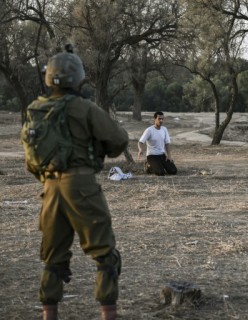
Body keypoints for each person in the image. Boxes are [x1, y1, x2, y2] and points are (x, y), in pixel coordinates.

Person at [28, 50, 128, 320]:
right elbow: (118, 140)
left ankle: (49, 314)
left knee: (52, 258)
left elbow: (31, 156)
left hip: (49, 188)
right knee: (105, 254)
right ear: (78, 78)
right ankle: (108, 313)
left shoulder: (36, 109)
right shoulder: (84, 108)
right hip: (81, 185)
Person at [137, 111, 177, 175]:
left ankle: (161, 165)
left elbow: (167, 143)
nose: (161, 120)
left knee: (173, 171)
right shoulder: (149, 130)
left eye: (162, 119)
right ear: (155, 119)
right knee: (160, 173)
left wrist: (169, 156)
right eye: (159, 119)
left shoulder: (164, 129)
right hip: (152, 156)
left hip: (162, 155)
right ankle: (148, 165)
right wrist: (140, 149)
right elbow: (140, 142)